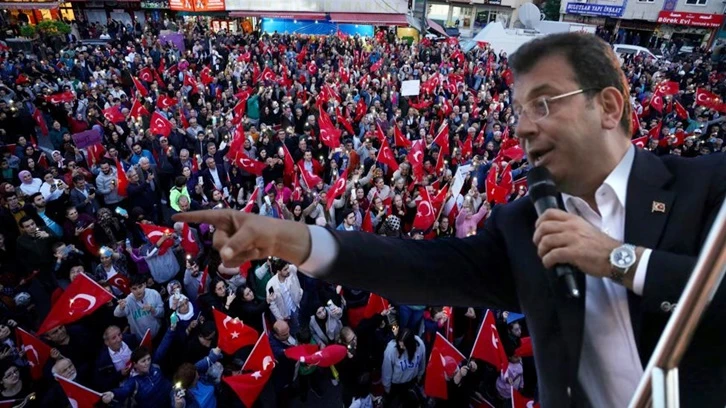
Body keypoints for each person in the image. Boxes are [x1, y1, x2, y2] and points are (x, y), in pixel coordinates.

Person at [173, 32, 726, 407]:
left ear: (608, 106)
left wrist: (617, 259)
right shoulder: (523, 226)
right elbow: (415, 267)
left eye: (543, 103)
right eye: (518, 111)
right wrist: (287, 237)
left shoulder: (708, 187)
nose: (523, 128)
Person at [114, 274, 164, 340]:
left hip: (158, 333)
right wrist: (121, 308)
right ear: (130, 289)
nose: (138, 291)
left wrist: (153, 310)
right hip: (141, 339)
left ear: (145, 284)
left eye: (140, 287)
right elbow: (116, 314)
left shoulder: (154, 294)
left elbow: (162, 313)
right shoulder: (128, 300)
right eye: (134, 289)